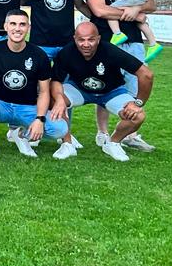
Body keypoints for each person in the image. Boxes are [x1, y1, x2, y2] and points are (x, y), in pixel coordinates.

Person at [0, 9, 74, 161]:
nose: (17, 28)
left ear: (29, 28)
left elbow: (44, 92)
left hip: (26, 108)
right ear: (6, 26)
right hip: (0, 106)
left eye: (22, 24)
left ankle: (22, 135)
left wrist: (40, 119)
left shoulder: (39, 55)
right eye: (13, 24)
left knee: (60, 129)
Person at [83, 0, 158, 152]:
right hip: (106, 40)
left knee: (134, 88)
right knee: (106, 86)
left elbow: (151, 3)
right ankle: (102, 132)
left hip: (133, 39)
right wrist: (132, 12)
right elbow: (100, 10)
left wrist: (138, 9)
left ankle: (130, 134)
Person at [49, 22, 154, 162]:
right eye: (81, 40)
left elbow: (146, 74)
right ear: (75, 38)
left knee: (138, 116)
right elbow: (55, 80)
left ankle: (113, 143)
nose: (86, 44)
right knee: (54, 100)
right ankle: (67, 143)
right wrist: (60, 100)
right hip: (80, 90)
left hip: (111, 92)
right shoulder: (66, 52)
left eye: (91, 39)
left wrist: (138, 103)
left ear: (98, 38)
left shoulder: (110, 50)